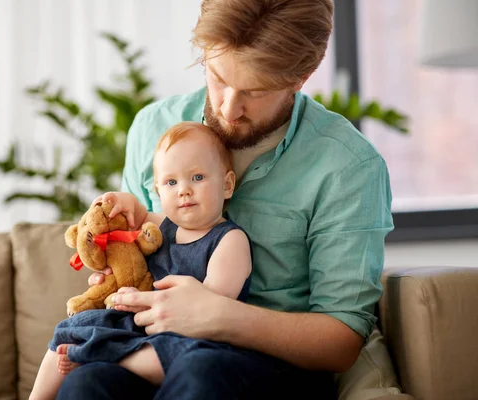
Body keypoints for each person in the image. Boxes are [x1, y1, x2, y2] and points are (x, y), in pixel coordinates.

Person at [57, 0, 394, 399]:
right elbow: (135, 262)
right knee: (86, 383)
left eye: (255, 91)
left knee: (203, 372)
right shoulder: (152, 128)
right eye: (217, 78)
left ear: (301, 77)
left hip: (269, 367)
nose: (228, 109)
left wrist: (220, 316)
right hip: (150, 347)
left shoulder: (348, 166)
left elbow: (341, 341)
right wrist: (117, 260)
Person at [30, 121, 273, 400]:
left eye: (198, 177)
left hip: (193, 338)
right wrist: (119, 201)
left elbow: (213, 310)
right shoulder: (161, 226)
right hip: (138, 331)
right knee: (72, 328)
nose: (184, 190)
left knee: (175, 355)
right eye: (171, 182)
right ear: (159, 192)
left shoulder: (229, 240)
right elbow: (132, 214)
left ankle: (103, 355)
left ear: (227, 185)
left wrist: (144, 299)